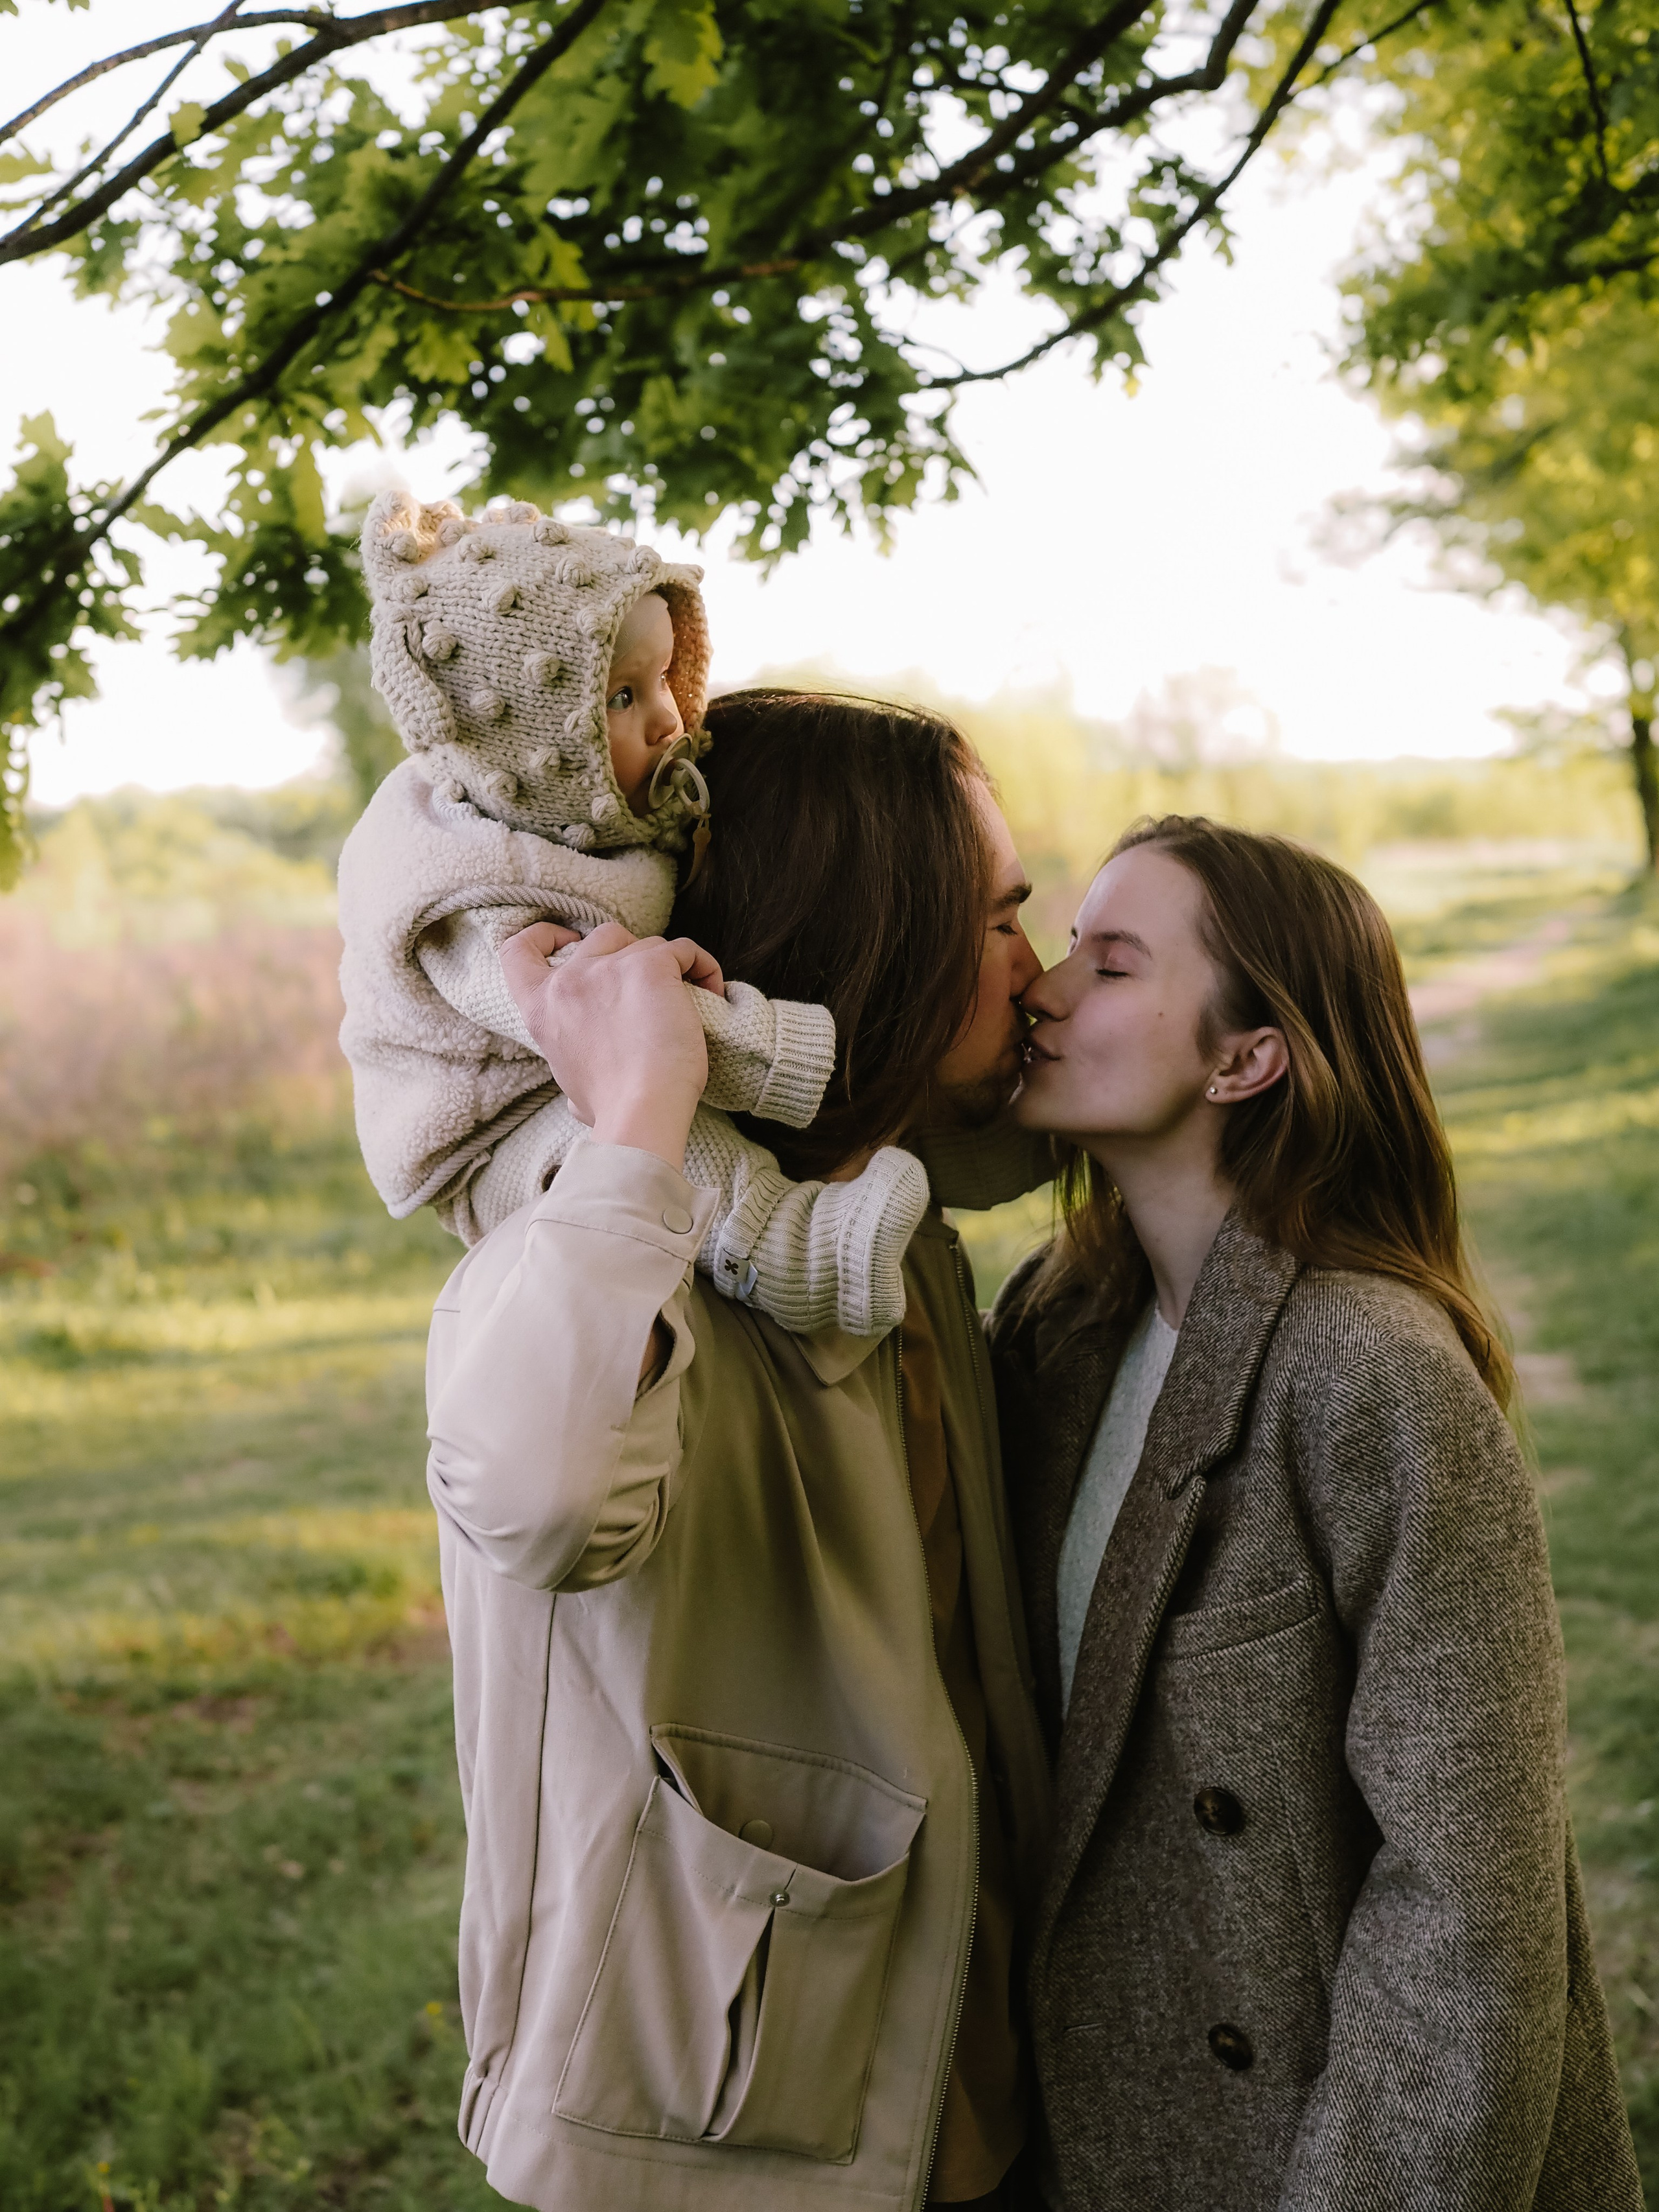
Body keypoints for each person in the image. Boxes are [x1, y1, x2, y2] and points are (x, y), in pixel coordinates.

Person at [424, 691, 1052, 2211]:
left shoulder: (875, 1225)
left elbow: (1059, 1108)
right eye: (999, 924)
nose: (1038, 971)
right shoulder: (605, 1230)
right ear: (880, 948)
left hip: (961, 2084)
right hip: (713, 2141)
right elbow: (541, 1500)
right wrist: (639, 1108)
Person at [991, 814, 1642, 2211]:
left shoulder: (1370, 1376)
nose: (1041, 991)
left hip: (1318, 2152)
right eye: (1062, 950)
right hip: (1085, 2129)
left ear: (1243, 1057)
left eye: (1111, 967)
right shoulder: (1052, 1327)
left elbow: (1469, 1907)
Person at [337, 491, 930, 1331]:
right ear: (528, 737)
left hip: (557, 1074)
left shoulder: (588, 817)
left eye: (663, 678)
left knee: (652, 1114)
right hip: (489, 1134)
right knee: (660, 1151)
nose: (666, 716)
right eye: (620, 697)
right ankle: (798, 1255)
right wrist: (786, 1057)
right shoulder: (470, 893)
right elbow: (606, 1016)